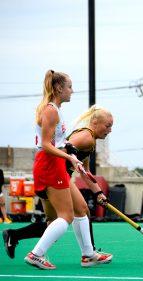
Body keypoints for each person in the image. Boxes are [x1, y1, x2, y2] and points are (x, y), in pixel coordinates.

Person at [23, 70, 111, 270]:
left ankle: (88, 255)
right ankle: (36, 254)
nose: (72, 91)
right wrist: (69, 157)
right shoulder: (51, 110)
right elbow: (45, 145)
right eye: (69, 87)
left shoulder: (55, 109)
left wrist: (69, 153)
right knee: (65, 216)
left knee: (81, 209)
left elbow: (59, 142)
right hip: (49, 164)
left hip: (54, 163)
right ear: (58, 88)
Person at [3, 106, 113, 261]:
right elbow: (61, 150)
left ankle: (14, 235)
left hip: (52, 176)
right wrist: (61, 176)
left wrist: (98, 193)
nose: (110, 130)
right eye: (107, 125)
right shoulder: (85, 138)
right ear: (94, 123)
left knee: (53, 224)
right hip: (55, 176)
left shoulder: (90, 141)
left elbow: (85, 173)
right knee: (81, 210)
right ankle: (88, 255)